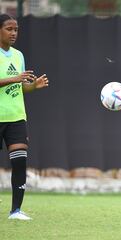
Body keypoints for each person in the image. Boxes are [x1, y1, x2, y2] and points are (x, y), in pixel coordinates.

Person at [0, 14, 49, 220]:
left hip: (16, 117)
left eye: (16, 29)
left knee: (20, 162)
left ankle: (16, 211)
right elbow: (13, 80)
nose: (13, 33)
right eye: (9, 29)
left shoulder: (18, 55)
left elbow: (19, 87)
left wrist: (32, 86)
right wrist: (16, 78)